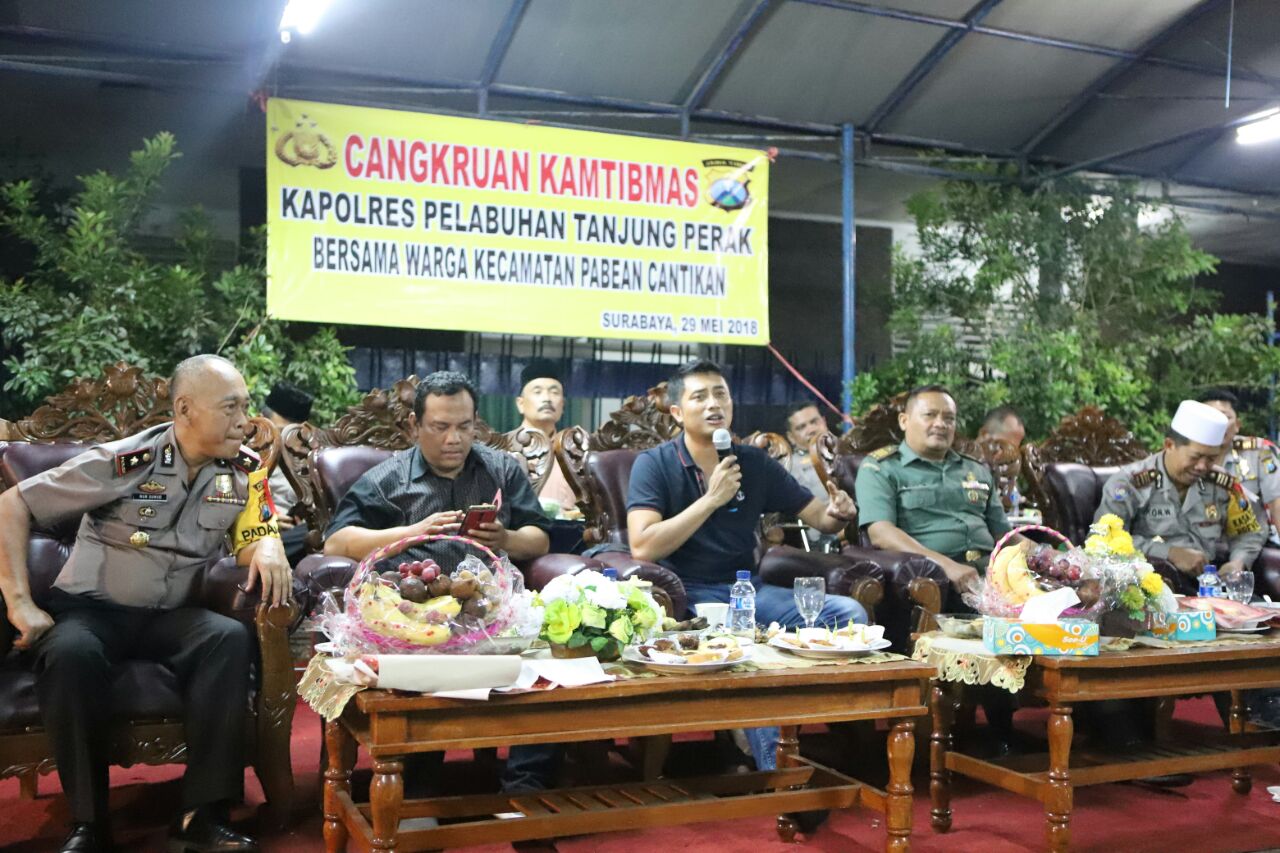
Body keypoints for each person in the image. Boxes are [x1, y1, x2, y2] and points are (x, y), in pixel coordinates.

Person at [0, 354, 291, 853]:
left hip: (171, 616)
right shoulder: (124, 460)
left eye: (246, 406)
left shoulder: (245, 472)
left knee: (227, 638)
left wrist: (267, 546)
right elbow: (12, 503)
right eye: (230, 408)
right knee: (70, 652)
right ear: (185, 409)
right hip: (92, 611)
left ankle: (201, 817)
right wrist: (20, 601)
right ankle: (89, 825)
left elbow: (258, 532)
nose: (245, 421)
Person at [323, 370, 559, 793]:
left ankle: (526, 792)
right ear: (414, 425)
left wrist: (505, 538)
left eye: (465, 426)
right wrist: (411, 533)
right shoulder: (388, 479)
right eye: (440, 427)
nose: (454, 439)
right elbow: (336, 542)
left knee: (548, 675)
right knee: (423, 677)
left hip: (491, 612)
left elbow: (539, 536)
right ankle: (418, 797)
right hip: (417, 616)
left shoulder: (501, 469)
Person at [625, 360, 864, 772]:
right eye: (700, 397)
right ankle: (778, 770)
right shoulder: (655, 463)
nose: (714, 404)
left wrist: (838, 512)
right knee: (741, 646)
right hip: (687, 598)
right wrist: (711, 499)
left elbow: (819, 517)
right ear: (677, 412)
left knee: (848, 613)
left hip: (747, 591)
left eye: (721, 394)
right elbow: (643, 546)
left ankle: (837, 744)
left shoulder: (752, 462)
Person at [855, 385, 1022, 597]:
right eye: (930, 415)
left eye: (949, 418)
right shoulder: (881, 468)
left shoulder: (975, 469)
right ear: (904, 421)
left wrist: (1045, 554)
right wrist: (944, 565)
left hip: (994, 574)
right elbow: (881, 533)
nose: (941, 424)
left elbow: (1004, 535)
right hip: (934, 578)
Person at [1094, 399, 1266, 592]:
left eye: (1211, 458)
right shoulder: (1130, 483)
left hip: (1209, 587)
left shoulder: (1222, 484)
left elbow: (1249, 531)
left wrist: (1239, 561)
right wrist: (1169, 553)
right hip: (1149, 588)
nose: (1202, 466)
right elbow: (1103, 539)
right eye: (1195, 457)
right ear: (1169, 445)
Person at [1200, 388, 1280, 544]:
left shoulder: (1259, 451)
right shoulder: (1182, 455)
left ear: (1237, 425)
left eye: (1225, 417)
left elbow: (1277, 504)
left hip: (1253, 541)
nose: (1218, 424)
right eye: (1210, 416)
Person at [261, 381, 315, 565]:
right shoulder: (243, 456)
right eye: (281, 431)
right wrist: (265, 520)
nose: (285, 441)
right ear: (262, 420)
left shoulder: (312, 461)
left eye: (294, 434)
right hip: (259, 536)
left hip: (297, 538)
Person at [514, 358, 578, 511]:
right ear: (520, 404)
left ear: (563, 405)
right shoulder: (506, 449)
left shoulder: (576, 451)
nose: (547, 399)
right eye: (537, 392)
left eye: (554, 392)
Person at [783, 401, 831, 501]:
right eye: (801, 427)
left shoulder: (846, 450)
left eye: (814, 422)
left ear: (824, 422)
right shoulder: (788, 468)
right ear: (791, 437)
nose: (811, 430)